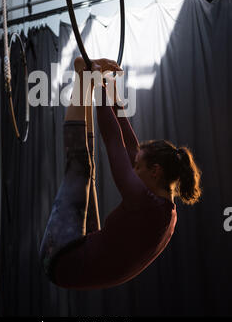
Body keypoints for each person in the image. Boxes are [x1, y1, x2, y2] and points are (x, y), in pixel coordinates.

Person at [39, 56, 202, 290]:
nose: (132, 168)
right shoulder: (164, 205)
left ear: (155, 172)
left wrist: (97, 82)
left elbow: (114, 141)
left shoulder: (148, 206)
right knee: (88, 171)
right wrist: (112, 94)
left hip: (60, 259)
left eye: (137, 167)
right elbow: (131, 147)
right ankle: (83, 77)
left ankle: (82, 78)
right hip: (83, 251)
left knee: (80, 167)